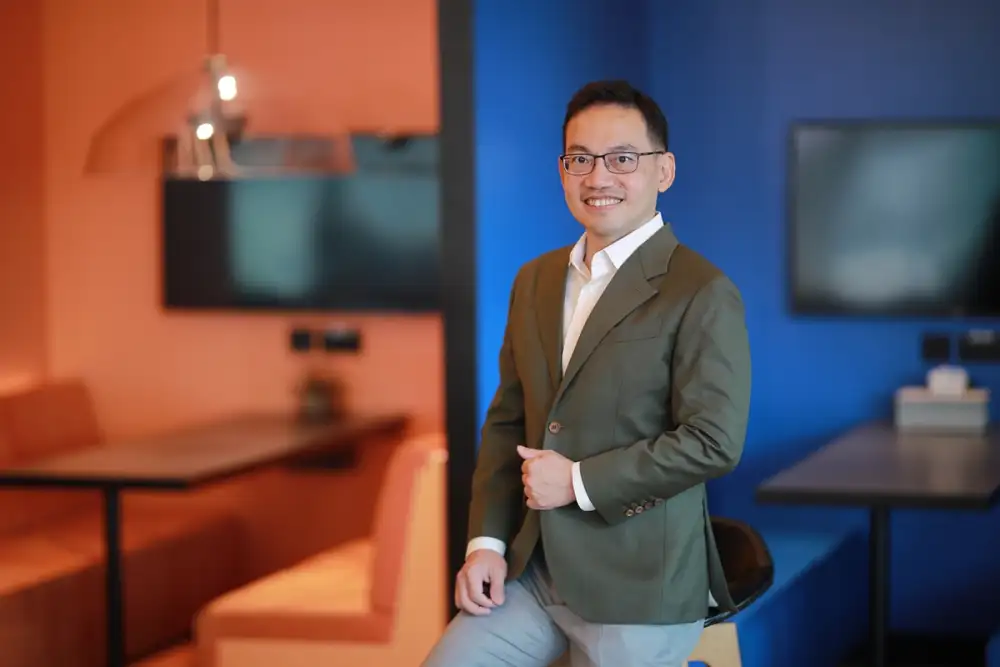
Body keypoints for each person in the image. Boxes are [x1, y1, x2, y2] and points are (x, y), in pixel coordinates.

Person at [422, 80, 752, 667]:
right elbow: (508, 422)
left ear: (664, 170)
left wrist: (577, 482)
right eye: (581, 159)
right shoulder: (535, 280)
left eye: (622, 159)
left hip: (640, 585)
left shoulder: (701, 290)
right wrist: (485, 544)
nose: (598, 177)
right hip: (533, 573)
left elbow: (713, 442)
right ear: (563, 170)